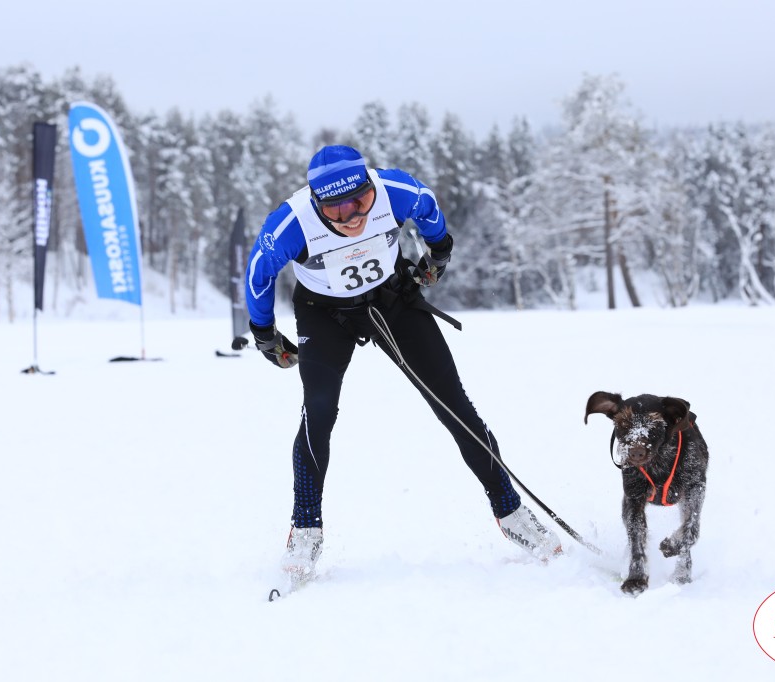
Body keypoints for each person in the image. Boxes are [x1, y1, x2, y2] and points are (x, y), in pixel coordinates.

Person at [237, 145, 561, 582]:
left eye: (360, 202)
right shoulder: (291, 223)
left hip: (393, 302)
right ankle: (306, 530)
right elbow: (259, 272)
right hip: (324, 313)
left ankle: (511, 512)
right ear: (316, 203)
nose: (352, 217)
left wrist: (438, 253)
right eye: (336, 209)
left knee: (453, 404)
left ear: (370, 186)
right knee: (318, 410)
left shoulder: (395, 189)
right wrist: (264, 334)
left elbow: (428, 209)